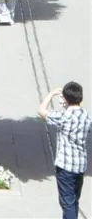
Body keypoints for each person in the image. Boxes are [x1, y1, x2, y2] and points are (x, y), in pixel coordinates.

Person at [39, 82, 92, 219]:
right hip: (80, 166)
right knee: (74, 200)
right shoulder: (86, 117)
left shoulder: (64, 117)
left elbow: (41, 111)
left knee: (67, 202)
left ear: (66, 99)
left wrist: (51, 94)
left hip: (65, 167)